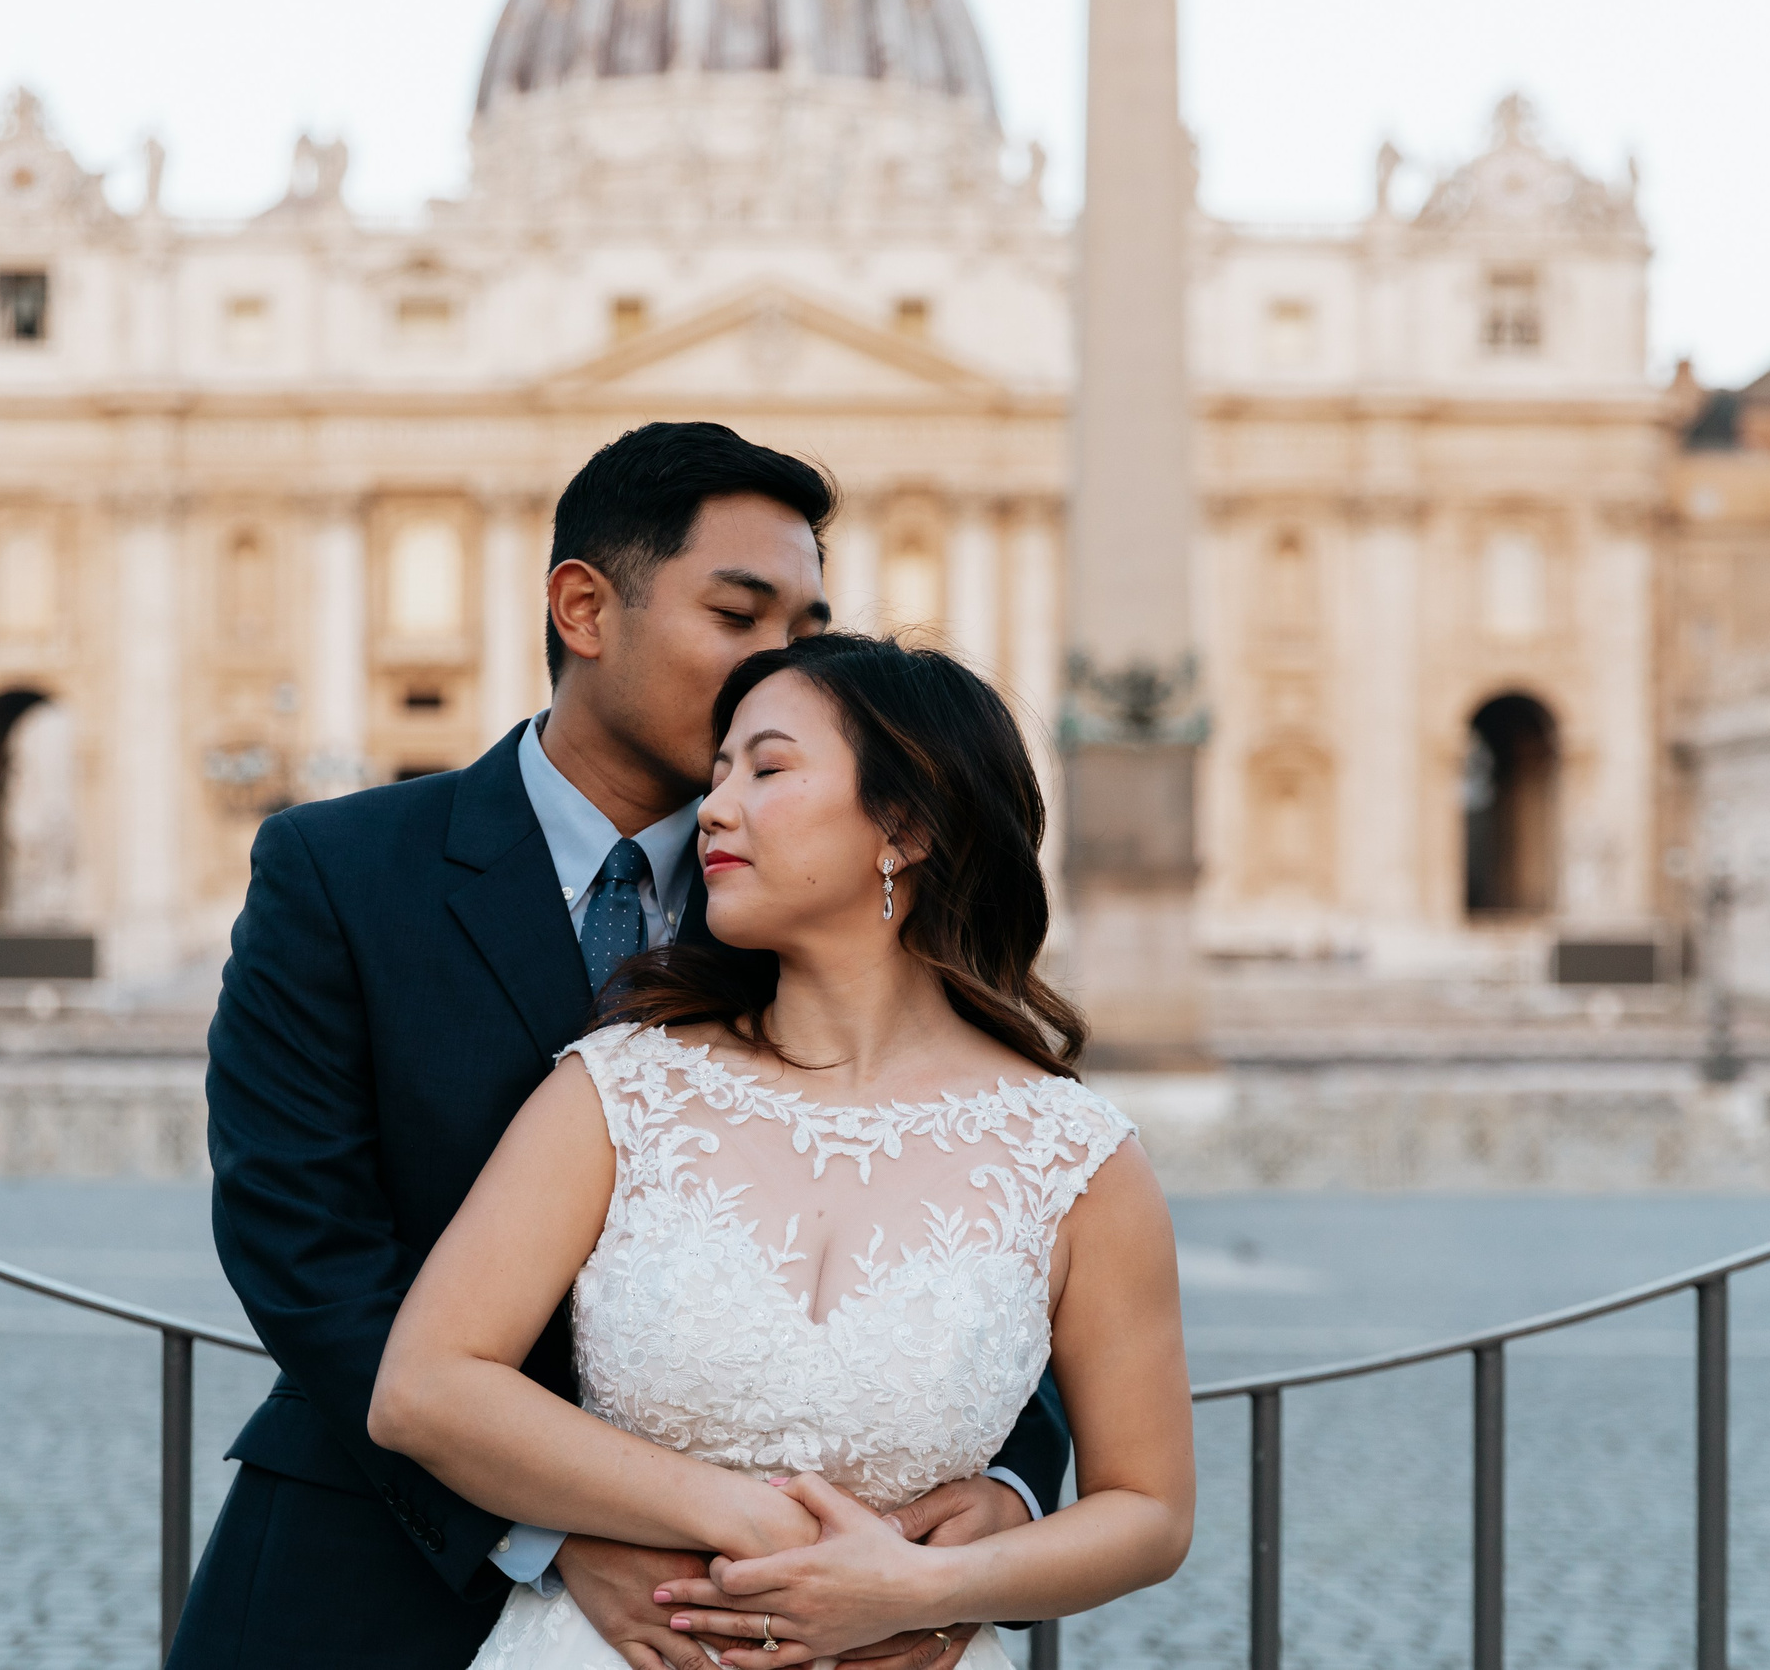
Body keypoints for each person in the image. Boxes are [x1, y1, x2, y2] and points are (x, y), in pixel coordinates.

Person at [167, 424, 1074, 1670]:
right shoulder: (338, 868)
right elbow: (300, 1241)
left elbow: (983, 1194)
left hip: (789, 1600)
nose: (781, 666)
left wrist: (1010, 1489)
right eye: (738, 616)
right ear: (584, 610)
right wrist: (546, 1523)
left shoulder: (820, 896)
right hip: (375, 1561)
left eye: (806, 630)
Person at [371, 634, 1197, 1670]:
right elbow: (426, 1387)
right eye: (717, 774)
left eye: (765, 769)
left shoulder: (1077, 1157)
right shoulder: (619, 1088)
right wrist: (741, 1517)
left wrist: (925, 1587)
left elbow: (1150, 1509)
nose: (713, 808)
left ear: (905, 825)